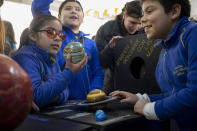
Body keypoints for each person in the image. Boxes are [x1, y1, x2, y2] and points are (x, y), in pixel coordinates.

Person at [110, 0, 197, 130]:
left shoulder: (192, 34)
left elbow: (194, 93)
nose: (142, 19)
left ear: (174, 11)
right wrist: (140, 98)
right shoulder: (164, 50)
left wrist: (149, 109)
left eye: (149, 11)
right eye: (142, 13)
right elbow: (172, 95)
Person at [31, 0, 104, 100]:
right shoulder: (53, 37)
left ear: (83, 18)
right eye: (68, 8)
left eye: (78, 9)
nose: (73, 11)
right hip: (57, 100)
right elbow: (38, 7)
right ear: (59, 17)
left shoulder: (91, 44)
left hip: (86, 102)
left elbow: (98, 72)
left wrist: (94, 91)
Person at [12, 14, 87, 108]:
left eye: (61, 35)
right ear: (33, 35)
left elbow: (65, 92)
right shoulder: (24, 57)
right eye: (50, 32)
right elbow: (36, 97)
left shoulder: (52, 59)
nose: (57, 38)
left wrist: (49, 93)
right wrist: (69, 72)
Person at [94, 0, 143, 94]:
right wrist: (110, 48)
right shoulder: (106, 29)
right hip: (111, 84)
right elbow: (99, 62)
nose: (136, 27)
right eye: (132, 22)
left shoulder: (144, 30)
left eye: (140, 23)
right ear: (124, 15)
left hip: (137, 83)